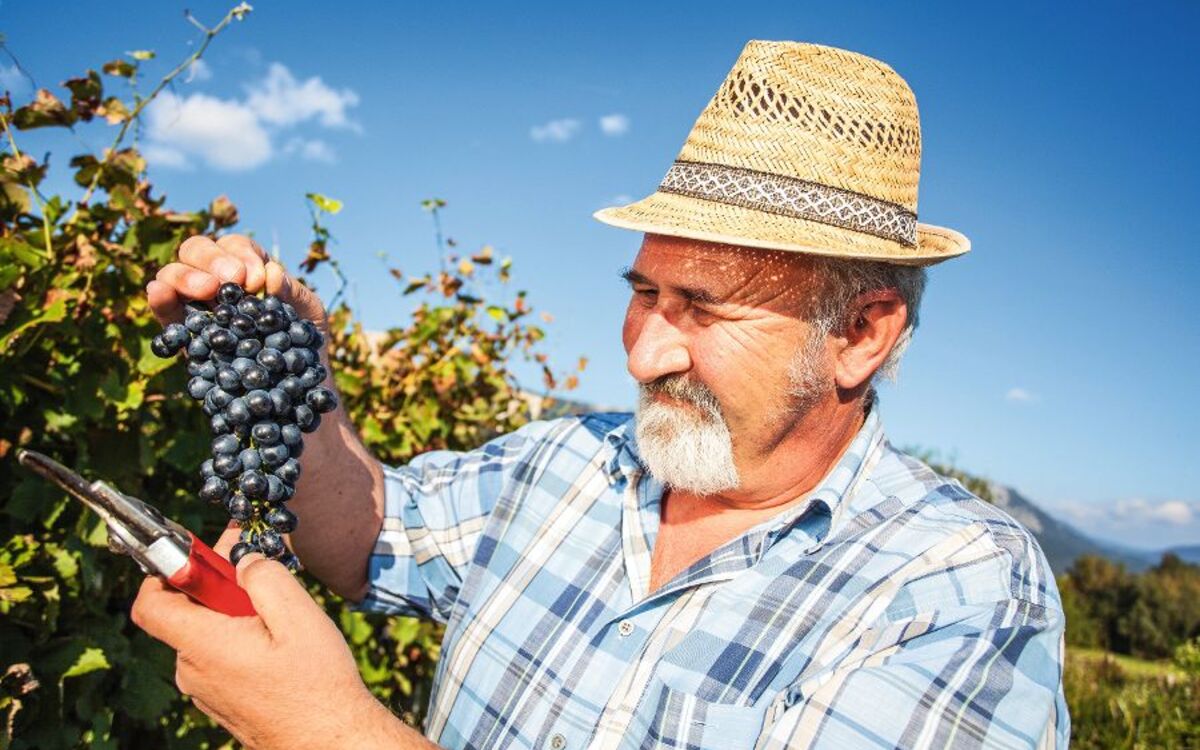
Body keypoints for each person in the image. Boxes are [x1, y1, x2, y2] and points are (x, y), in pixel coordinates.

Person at [135, 41, 1069, 749]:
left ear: (861, 335)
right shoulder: (562, 463)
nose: (643, 353)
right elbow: (371, 532)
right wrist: (289, 361)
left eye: (701, 307)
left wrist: (330, 732)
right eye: (642, 294)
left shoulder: (954, 588)